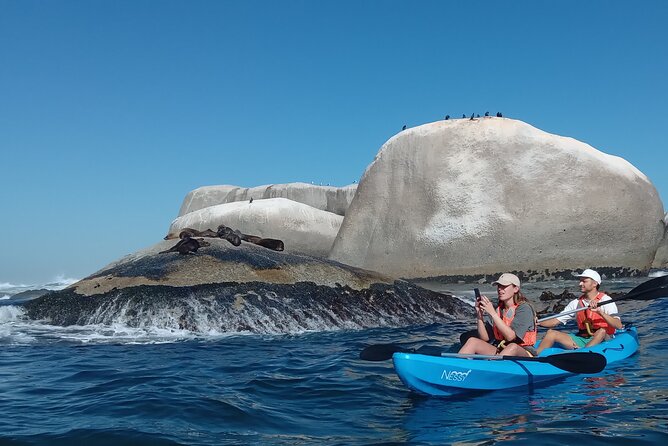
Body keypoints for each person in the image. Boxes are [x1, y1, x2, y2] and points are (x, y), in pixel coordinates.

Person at [535, 269, 622, 355]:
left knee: (601, 331)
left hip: (604, 338)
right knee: (551, 333)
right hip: (583, 338)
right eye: (580, 281)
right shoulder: (576, 303)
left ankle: (583, 353)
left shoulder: (606, 300)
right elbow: (554, 321)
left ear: (595, 284)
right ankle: (535, 359)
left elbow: (618, 325)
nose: (580, 284)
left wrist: (600, 313)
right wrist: (538, 322)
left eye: (584, 281)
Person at [459, 273, 537, 357]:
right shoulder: (498, 309)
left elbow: (511, 337)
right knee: (472, 341)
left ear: (515, 289)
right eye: (499, 286)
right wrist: (479, 314)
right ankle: (454, 367)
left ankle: (491, 367)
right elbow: (485, 338)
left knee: (512, 347)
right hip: (501, 350)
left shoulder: (524, 309)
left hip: (524, 352)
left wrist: (492, 313)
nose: (500, 289)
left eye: (504, 286)